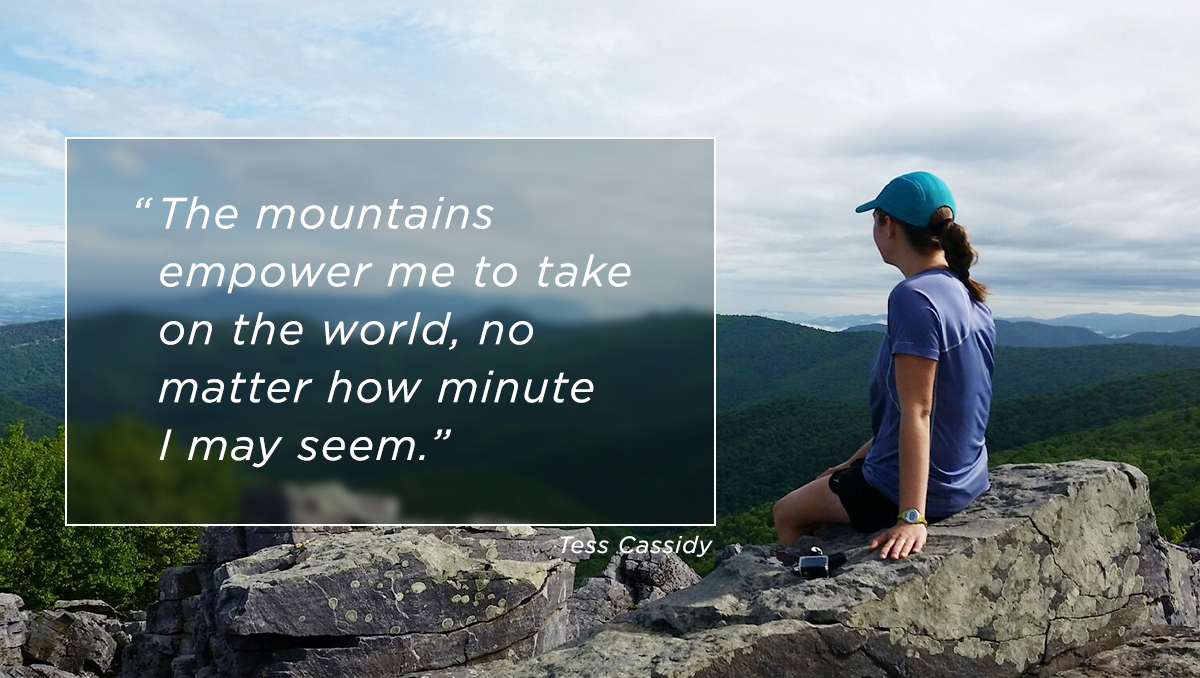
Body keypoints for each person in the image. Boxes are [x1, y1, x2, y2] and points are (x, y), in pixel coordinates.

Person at [772, 171, 996, 561]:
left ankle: (802, 583)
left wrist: (911, 517)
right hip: (968, 477)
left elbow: (918, 410)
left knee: (787, 513)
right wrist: (855, 461)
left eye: (875, 219)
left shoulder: (913, 296)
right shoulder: (969, 295)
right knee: (829, 484)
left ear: (888, 225)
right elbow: (941, 404)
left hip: (916, 492)